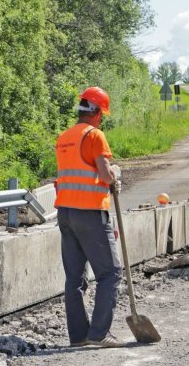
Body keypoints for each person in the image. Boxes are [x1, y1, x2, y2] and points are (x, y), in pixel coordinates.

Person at [54, 86, 123, 348]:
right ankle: (99, 333)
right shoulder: (95, 135)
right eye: (101, 114)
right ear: (96, 112)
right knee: (111, 273)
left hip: (65, 213)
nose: (101, 118)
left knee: (74, 278)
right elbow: (105, 174)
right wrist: (115, 175)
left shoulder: (64, 137)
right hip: (90, 213)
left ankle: (79, 336)